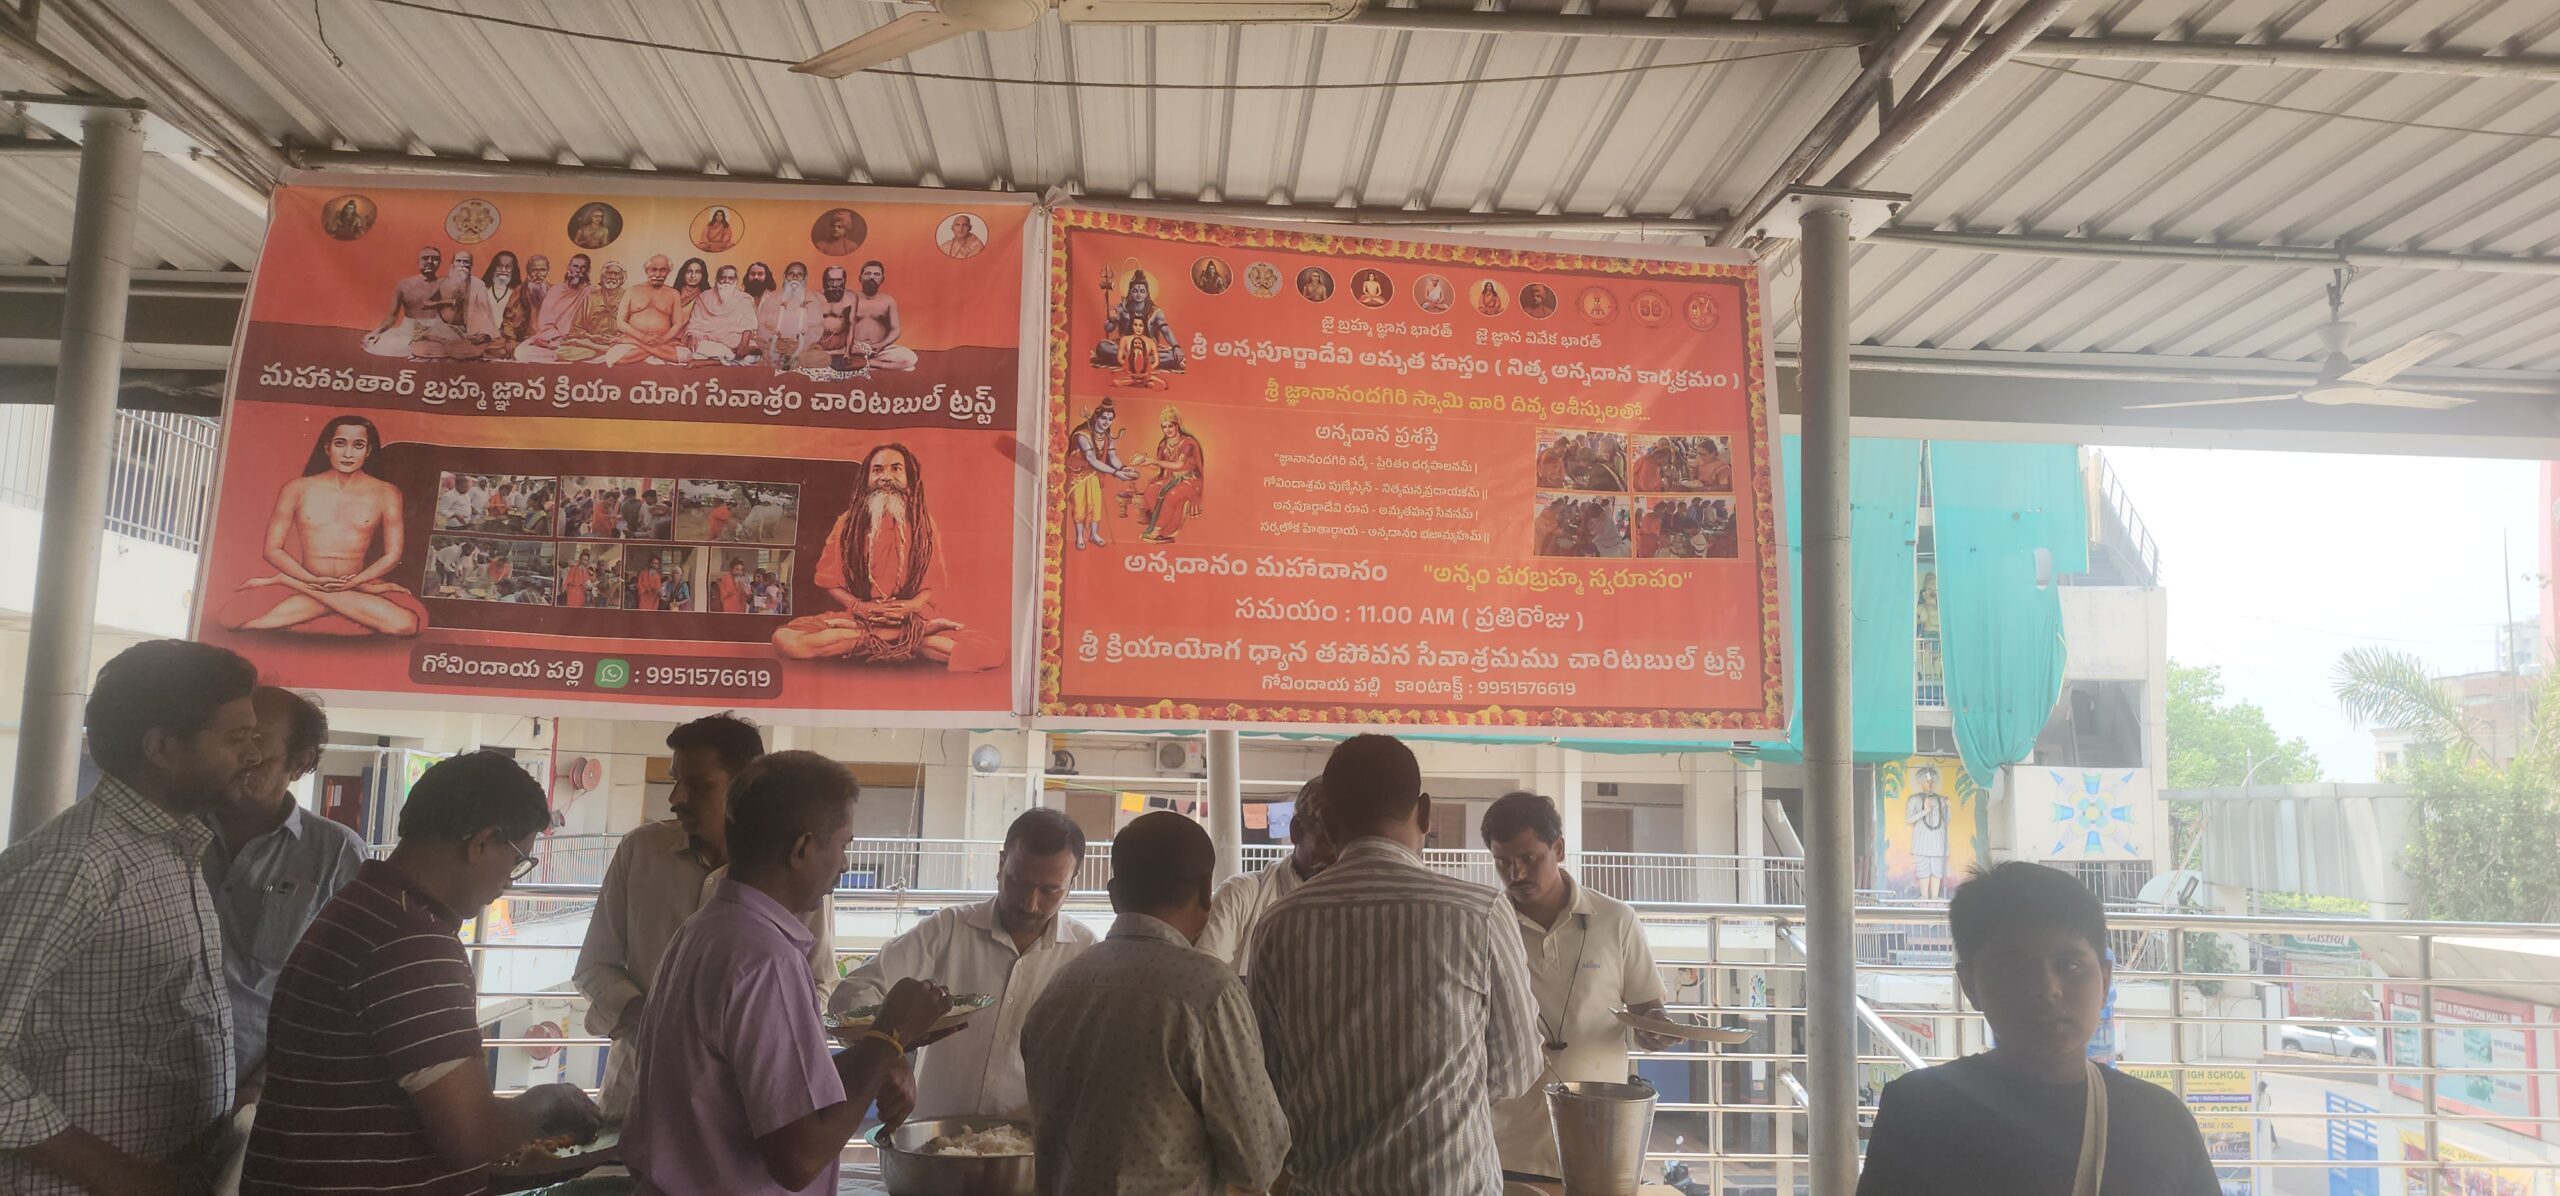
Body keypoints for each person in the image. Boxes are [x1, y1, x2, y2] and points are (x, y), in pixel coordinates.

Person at [242, 751, 601, 1194]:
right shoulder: (413, 944)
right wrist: (548, 1100)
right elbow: (472, 1137)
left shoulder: (361, 906)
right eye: (516, 861)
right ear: (482, 843)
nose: (509, 881)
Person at [0, 641, 261, 1196]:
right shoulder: (77, 864)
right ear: (163, 747)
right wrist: (123, 1176)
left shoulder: (173, 846)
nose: (254, 755)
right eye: (236, 738)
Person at [625, 753, 949, 1196]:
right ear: (802, 849)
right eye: (843, 845)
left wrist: (877, 1054)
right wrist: (888, 1035)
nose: (845, 864)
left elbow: (765, 1088)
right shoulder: (766, 959)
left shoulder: (705, 930)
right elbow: (799, 1157)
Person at [1247, 734, 1540, 1196]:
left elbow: (1264, 1076)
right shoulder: (1478, 913)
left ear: (1328, 822)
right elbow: (1518, 1069)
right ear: (1424, 812)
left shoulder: (1280, 922)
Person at [1856, 862, 2219, 1196]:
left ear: (2105, 980)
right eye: (2013, 968)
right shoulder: (1919, 1112)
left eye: (2070, 965)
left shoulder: (2160, 1121)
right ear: (1969, 986)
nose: (2047, 989)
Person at [576, 716, 839, 1119]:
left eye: (698, 786)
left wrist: (753, 1038)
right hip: (636, 1098)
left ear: (748, 790)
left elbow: (819, 984)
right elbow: (593, 967)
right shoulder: (640, 852)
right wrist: (652, 1021)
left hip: (742, 1112)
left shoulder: (793, 868)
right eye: (674, 781)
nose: (676, 798)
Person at [1023, 813, 1289, 1195]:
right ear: (1206, 891)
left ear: (1113, 894)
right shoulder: (1208, 992)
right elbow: (1259, 1159)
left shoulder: (1060, 986)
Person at [831, 808, 1098, 1121]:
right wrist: (889, 1054)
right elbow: (851, 996)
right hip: (932, 1136)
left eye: (1050, 890)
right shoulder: (947, 930)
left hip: (1030, 1143)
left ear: (1072, 882)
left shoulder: (1085, 954)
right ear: (1001, 864)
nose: (1031, 903)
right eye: (1018, 882)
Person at [1479, 792, 1680, 1180]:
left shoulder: (1616, 920)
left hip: (1600, 1140)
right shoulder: (1485, 926)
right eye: (1502, 862)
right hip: (1505, 1146)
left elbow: (1647, 1011)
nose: (1516, 873)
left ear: (1558, 849)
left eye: (1529, 858)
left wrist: (1656, 1029)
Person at [205, 687, 367, 1091]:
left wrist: (262, 1085)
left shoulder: (336, 854)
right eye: (232, 738)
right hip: (147, 1078)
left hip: (263, 1087)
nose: (240, 756)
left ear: (300, 763)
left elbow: (344, 991)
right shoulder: (171, 833)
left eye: (257, 744)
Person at [772, 444, 999, 669]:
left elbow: (934, 584)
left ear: (909, 479)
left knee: (989, 653)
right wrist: (858, 607)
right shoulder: (847, 522)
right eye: (878, 470)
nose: (886, 477)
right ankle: (904, 642)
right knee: (784, 640)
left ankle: (879, 640)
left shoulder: (925, 524)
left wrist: (910, 607)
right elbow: (828, 580)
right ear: (867, 478)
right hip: (859, 618)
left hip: (912, 619)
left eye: (896, 469)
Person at [216, 415, 427, 637]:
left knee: (405, 625)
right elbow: (272, 549)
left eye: (358, 445)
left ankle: (293, 584)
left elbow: (393, 554)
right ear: (327, 448)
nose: (348, 454)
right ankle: (314, 592)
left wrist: (357, 582)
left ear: (368, 451)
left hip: (353, 583)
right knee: (231, 618)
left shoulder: (387, 493)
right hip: (309, 580)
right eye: (340, 443)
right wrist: (310, 580)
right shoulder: (297, 489)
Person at [1197, 777, 1335, 975]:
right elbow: (1205, 977)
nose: (1342, 854)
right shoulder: (1240, 894)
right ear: (1296, 831)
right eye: (1331, 840)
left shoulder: (1362, 906)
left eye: (1352, 843)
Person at [1064, 398, 1138, 550]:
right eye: (1103, 418)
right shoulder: (1082, 435)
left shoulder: (1107, 437)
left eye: (1110, 419)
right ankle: (1079, 536)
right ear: (1096, 417)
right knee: (1079, 507)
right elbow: (1091, 459)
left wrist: (1123, 468)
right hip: (1078, 474)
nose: (1106, 422)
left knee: (1096, 505)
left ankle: (1094, 534)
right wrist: (1115, 472)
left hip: (1094, 474)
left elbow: (1112, 457)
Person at [1132, 406, 1205, 543]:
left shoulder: (1188, 443)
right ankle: (1164, 527)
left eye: (1170, 426)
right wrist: (1145, 461)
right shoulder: (1163, 444)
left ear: (1177, 425)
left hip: (1189, 481)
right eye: (1164, 427)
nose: (1168, 430)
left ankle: (1157, 530)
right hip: (1171, 479)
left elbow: (1179, 465)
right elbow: (1158, 466)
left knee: (1171, 495)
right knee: (1151, 490)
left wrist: (1155, 461)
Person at [1092, 269, 1184, 373]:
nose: (1138, 294)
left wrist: (1176, 346)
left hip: (1148, 349)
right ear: (1130, 292)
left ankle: (1133, 360)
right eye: (1135, 291)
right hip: (1125, 347)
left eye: (1142, 291)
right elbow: (1108, 329)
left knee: (1174, 355)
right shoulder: (1122, 308)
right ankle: (1139, 360)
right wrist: (1112, 319)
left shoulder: (1156, 312)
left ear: (1147, 293)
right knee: (1102, 347)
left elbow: (1166, 331)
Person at [363, 246, 449, 356]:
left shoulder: (446, 284)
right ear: (418, 261)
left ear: (440, 262)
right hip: (407, 332)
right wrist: (377, 331)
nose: (430, 262)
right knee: (374, 343)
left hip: (437, 333)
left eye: (435, 259)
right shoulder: (403, 285)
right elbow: (392, 316)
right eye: (425, 258)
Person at [606, 254, 688, 365]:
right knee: (615, 357)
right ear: (646, 270)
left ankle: (639, 346)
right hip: (636, 341)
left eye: (662, 270)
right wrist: (642, 338)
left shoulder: (673, 294)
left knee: (686, 356)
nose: (657, 274)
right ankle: (643, 346)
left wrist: (663, 340)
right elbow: (620, 322)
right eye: (653, 270)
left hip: (662, 342)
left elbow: (677, 324)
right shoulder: (632, 290)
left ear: (668, 272)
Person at [515, 253, 593, 362]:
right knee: (521, 352)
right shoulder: (556, 290)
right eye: (575, 266)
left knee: (585, 350)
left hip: (577, 340)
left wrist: (575, 338)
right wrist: (554, 340)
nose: (578, 271)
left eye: (583, 267)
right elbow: (545, 322)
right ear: (569, 267)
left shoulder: (590, 291)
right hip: (553, 340)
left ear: (588, 271)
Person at [846, 260, 916, 371]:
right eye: (868, 273)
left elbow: (896, 330)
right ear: (860, 278)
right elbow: (840, 328)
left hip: (879, 350)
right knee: (829, 355)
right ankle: (874, 365)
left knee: (910, 358)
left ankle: (867, 363)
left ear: (882, 279)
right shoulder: (849, 298)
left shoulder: (888, 300)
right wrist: (853, 345)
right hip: (853, 348)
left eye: (876, 274)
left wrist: (881, 345)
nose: (871, 277)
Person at [687, 263, 763, 364]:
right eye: (723, 277)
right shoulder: (704, 297)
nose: (726, 281)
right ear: (716, 279)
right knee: (696, 350)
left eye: (730, 278)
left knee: (750, 358)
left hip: (735, 343)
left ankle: (720, 359)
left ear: (736, 280)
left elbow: (749, 326)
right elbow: (694, 323)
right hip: (711, 342)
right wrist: (692, 335)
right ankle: (728, 359)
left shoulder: (744, 299)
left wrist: (744, 345)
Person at [760, 261, 824, 368]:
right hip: (776, 346)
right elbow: (761, 326)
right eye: (791, 274)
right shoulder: (772, 299)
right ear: (785, 277)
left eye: (799, 274)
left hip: (802, 348)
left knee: (821, 357)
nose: (795, 277)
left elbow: (817, 328)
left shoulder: (813, 300)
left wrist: (800, 344)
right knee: (764, 352)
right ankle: (780, 361)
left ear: (805, 278)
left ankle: (789, 362)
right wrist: (774, 341)